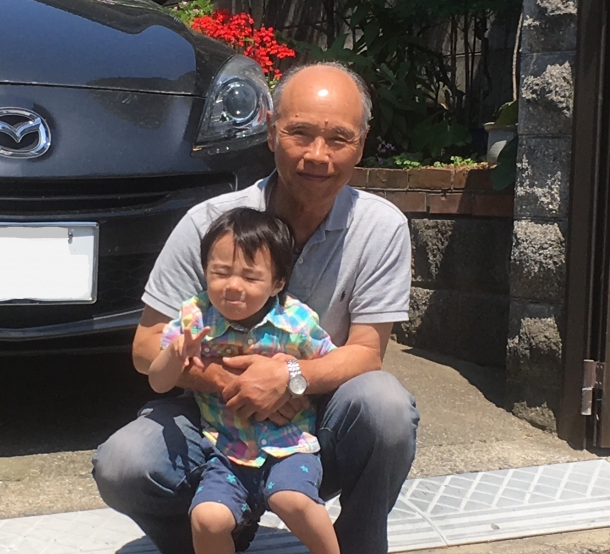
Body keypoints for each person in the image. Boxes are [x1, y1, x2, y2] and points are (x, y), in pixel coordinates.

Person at [92, 61, 421, 554]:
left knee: (385, 407)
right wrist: (231, 384)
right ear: (270, 131)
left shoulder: (381, 227)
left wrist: (289, 378)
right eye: (300, 133)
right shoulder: (209, 223)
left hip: (315, 423)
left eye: (339, 138)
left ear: (362, 144)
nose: (318, 155)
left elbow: (367, 353)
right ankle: (222, 533)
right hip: (213, 422)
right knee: (123, 464)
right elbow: (145, 347)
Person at [149, 207, 339, 554]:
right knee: (207, 519)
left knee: (291, 499)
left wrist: (296, 374)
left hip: (289, 445)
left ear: (277, 283)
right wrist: (175, 354)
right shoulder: (195, 319)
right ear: (205, 271)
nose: (233, 286)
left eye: (250, 278)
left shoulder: (296, 322)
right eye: (220, 272)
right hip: (225, 453)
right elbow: (158, 383)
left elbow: (332, 365)